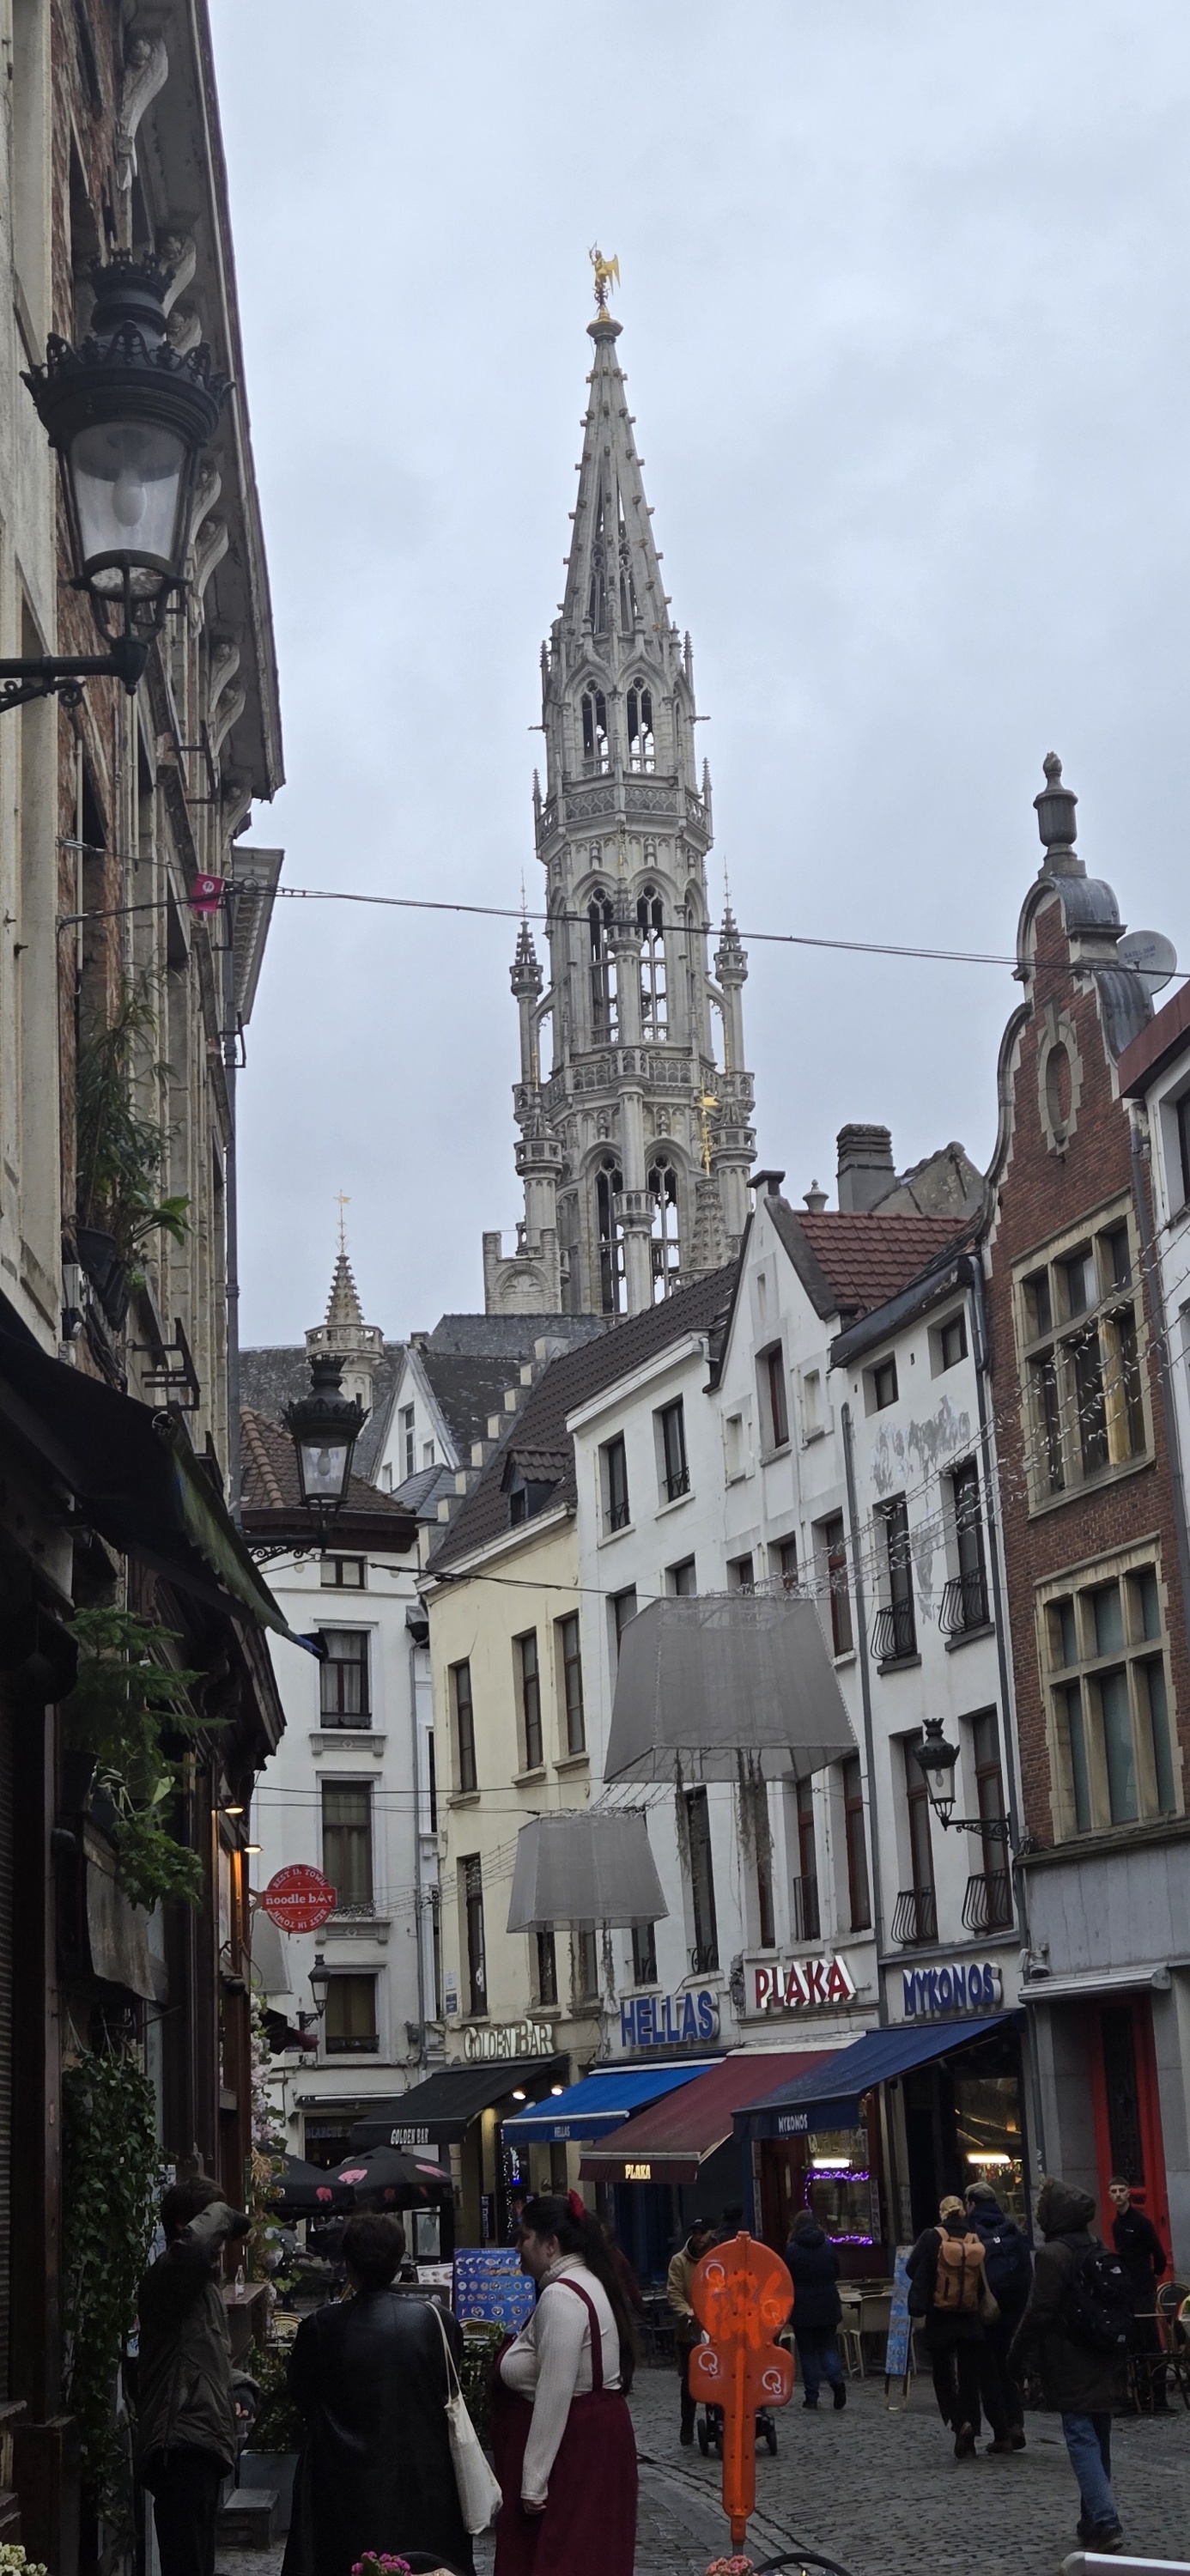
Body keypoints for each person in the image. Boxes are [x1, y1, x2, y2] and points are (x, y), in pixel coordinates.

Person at [282, 2210, 473, 2576]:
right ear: (398, 2261)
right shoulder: (438, 2322)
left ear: (349, 2265)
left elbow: (303, 2394)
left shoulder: (322, 2327)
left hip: (343, 2479)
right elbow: (449, 2388)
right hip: (426, 2476)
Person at [493, 2189, 638, 2575]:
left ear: (551, 2244)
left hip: (576, 2446)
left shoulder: (561, 2296)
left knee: (568, 2555)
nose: (518, 2248)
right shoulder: (587, 2281)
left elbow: (555, 2391)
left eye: (524, 2237)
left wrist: (533, 2480)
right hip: (594, 2438)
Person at [134, 2178, 253, 2576]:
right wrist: (228, 2214)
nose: (220, 2241)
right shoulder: (167, 2279)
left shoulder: (200, 2289)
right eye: (213, 2221)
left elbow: (205, 2356)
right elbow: (198, 2245)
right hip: (179, 2443)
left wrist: (240, 2387)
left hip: (199, 2441)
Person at [1010, 2178, 1126, 2555]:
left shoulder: (1052, 2255)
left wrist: (1016, 2357)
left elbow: (1040, 2311)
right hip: (1102, 2353)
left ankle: (1104, 2520)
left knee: (1080, 2438)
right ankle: (1091, 2521)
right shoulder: (1096, 2245)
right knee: (1098, 2438)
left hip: (1069, 2358)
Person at [906, 2193, 1009, 2458]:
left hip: (940, 2317)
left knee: (943, 2376)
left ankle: (958, 2422)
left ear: (942, 2213)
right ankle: (971, 2432)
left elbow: (912, 2268)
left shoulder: (932, 2236)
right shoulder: (973, 2237)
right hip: (969, 2317)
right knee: (968, 2378)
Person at [964, 2179, 1033, 2447]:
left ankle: (1001, 2432)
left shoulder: (971, 2232)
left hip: (985, 2308)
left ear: (971, 2203)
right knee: (1007, 2364)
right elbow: (1026, 2271)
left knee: (988, 2369)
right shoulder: (1011, 2228)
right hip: (1013, 2307)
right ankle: (1016, 2424)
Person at [1108, 2177, 1169, 2413]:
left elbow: (1158, 2253)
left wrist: (1155, 2274)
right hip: (1128, 2288)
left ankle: (1158, 2394)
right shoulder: (1117, 2225)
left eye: (1121, 2190)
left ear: (1128, 2193)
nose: (1118, 2195)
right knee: (1134, 2339)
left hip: (1143, 2287)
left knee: (1149, 2337)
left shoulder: (1141, 2223)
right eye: (1114, 2191)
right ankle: (1141, 2393)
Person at [784, 2207, 846, 2410]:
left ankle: (811, 2397)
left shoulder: (792, 2249)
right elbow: (836, 2271)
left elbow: (786, 2277)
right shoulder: (827, 2246)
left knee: (807, 2352)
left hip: (802, 2305)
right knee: (828, 2347)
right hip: (827, 2302)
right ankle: (837, 2381)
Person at [666, 2218, 718, 2444]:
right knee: (690, 2380)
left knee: (720, 2377)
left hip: (719, 2330)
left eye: (702, 2233)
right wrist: (686, 2311)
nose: (698, 2238)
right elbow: (674, 2291)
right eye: (695, 2233)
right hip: (690, 2332)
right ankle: (687, 2426)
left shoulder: (721, 2256)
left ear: (711, 2233)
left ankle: (721, 2421)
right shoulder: (679, 2261)